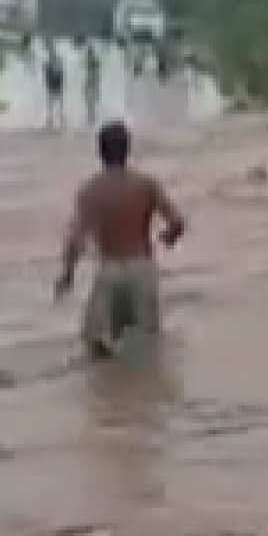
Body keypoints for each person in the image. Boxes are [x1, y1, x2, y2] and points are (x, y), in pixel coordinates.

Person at [54, 121, 186, 359]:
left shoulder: (91, 190)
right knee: (147, 349)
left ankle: (108, 392)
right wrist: (167, 238)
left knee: (97, 350)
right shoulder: (146, 184)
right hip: (142, 270)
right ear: (128, 149)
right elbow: (177, 222)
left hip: (110, 272)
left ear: (100, 151)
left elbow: (76, 239)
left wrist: (67, 274)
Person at [41, 45, 66, 129]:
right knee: (53, 104)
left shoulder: (54, 62)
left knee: (55, 103)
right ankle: (53, 120)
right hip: (53, 85)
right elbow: (47, 75)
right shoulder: (50, 63)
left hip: (55, 85)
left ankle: (56, 120)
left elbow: (60, 74)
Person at [82, 41, 103, 125]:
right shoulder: (89, 61)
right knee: (89, 101)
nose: (88, 56)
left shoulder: (94, 61)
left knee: (91, 101)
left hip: (92, 83)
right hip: (90, 82)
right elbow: (90, 74)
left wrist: (97, 88)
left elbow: (96, 74)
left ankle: (92, 117)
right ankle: (91, 116)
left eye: (89, 53)